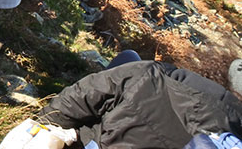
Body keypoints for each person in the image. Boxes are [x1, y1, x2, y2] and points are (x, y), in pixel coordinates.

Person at [35, 60, 242, 148]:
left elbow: (86, 93)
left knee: (128, 62)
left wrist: (41, 124)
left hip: (90, 141)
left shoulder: (159, 75)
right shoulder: (232, 135)